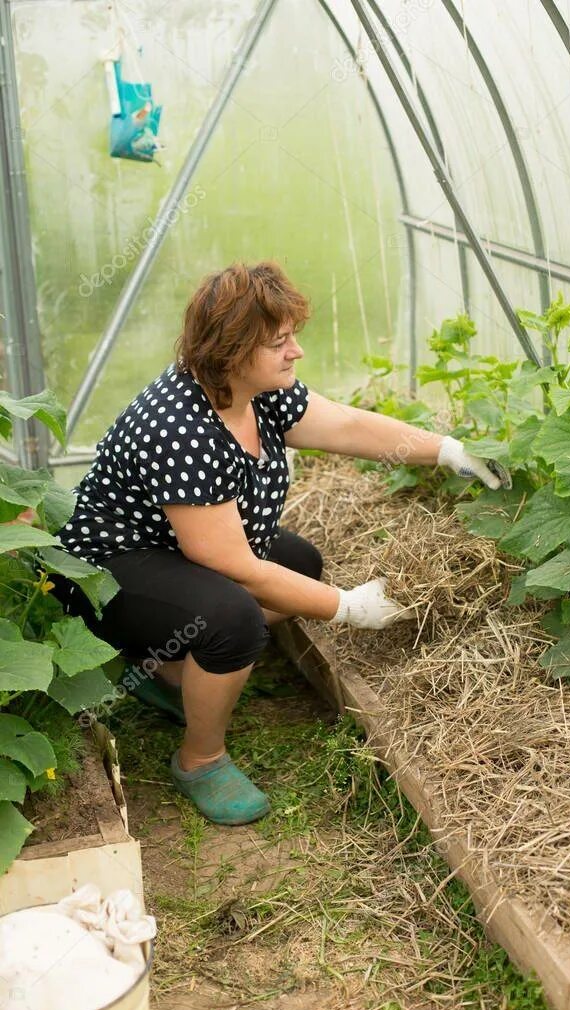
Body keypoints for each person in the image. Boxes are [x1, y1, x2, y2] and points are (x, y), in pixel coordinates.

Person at [54, 261, 508, 826]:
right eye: (278, 342)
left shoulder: (258, 391)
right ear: (230, 351)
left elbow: (344, 427)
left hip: (172, 549)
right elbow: (237, 569)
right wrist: (351, 608)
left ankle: (170, 672)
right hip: (110, 570)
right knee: (235, 617)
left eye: (292, 336)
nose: (295, 352)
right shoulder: (180, 426)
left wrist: (445, 448)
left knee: (301, 565)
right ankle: (200, 759)